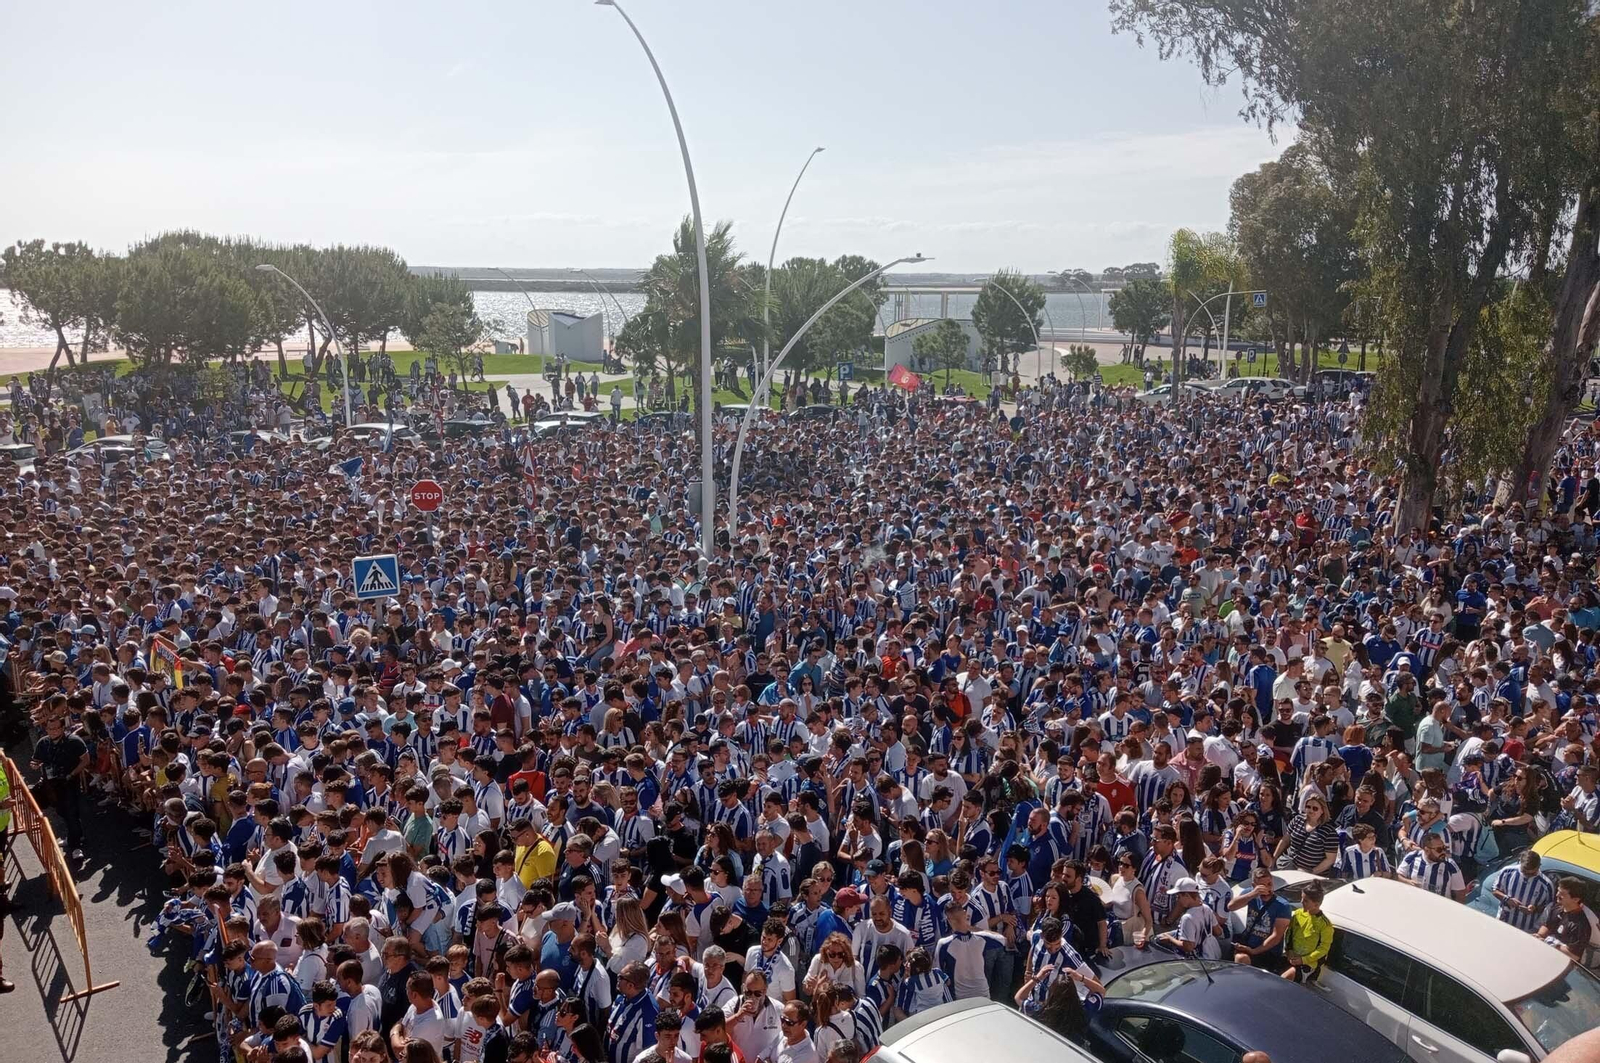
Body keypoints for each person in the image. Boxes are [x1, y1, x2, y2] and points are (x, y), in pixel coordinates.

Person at [1227, 867, 1292, 972]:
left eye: (1269, 884)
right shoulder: (1251, 894)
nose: (1267, 889)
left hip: (1267, 951)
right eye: (1262, 886)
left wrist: (1254, 951)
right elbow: (1231, 907)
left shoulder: (1282, 906)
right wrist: (1253, 894)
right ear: (1254, 886)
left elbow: (1276, 937)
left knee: (1241, 959)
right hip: (1249, 942)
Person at [1280, 881, 1333, 982]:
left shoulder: (1325, 925)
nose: (1301, 902)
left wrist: (1303, 960)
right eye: (1301, 898)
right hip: (1290, 956)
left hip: (1307, 964)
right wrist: (1289, 950)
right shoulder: (1298, 914)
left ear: (1316, 904)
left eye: (1305, 901)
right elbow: (1289, 933)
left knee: (1285, 978)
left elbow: (1323, 949)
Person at [1537, 877, 1599, 962]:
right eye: (1558, 891)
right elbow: (1547, 926)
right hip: (1543, 956)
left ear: (1576, 899)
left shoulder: (1581, 925)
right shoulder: (1556, 908)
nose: (1557, 895)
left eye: (1562, 894)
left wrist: (1552, 944)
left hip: (1560, 965)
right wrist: (1539, 936)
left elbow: (1574, 955)